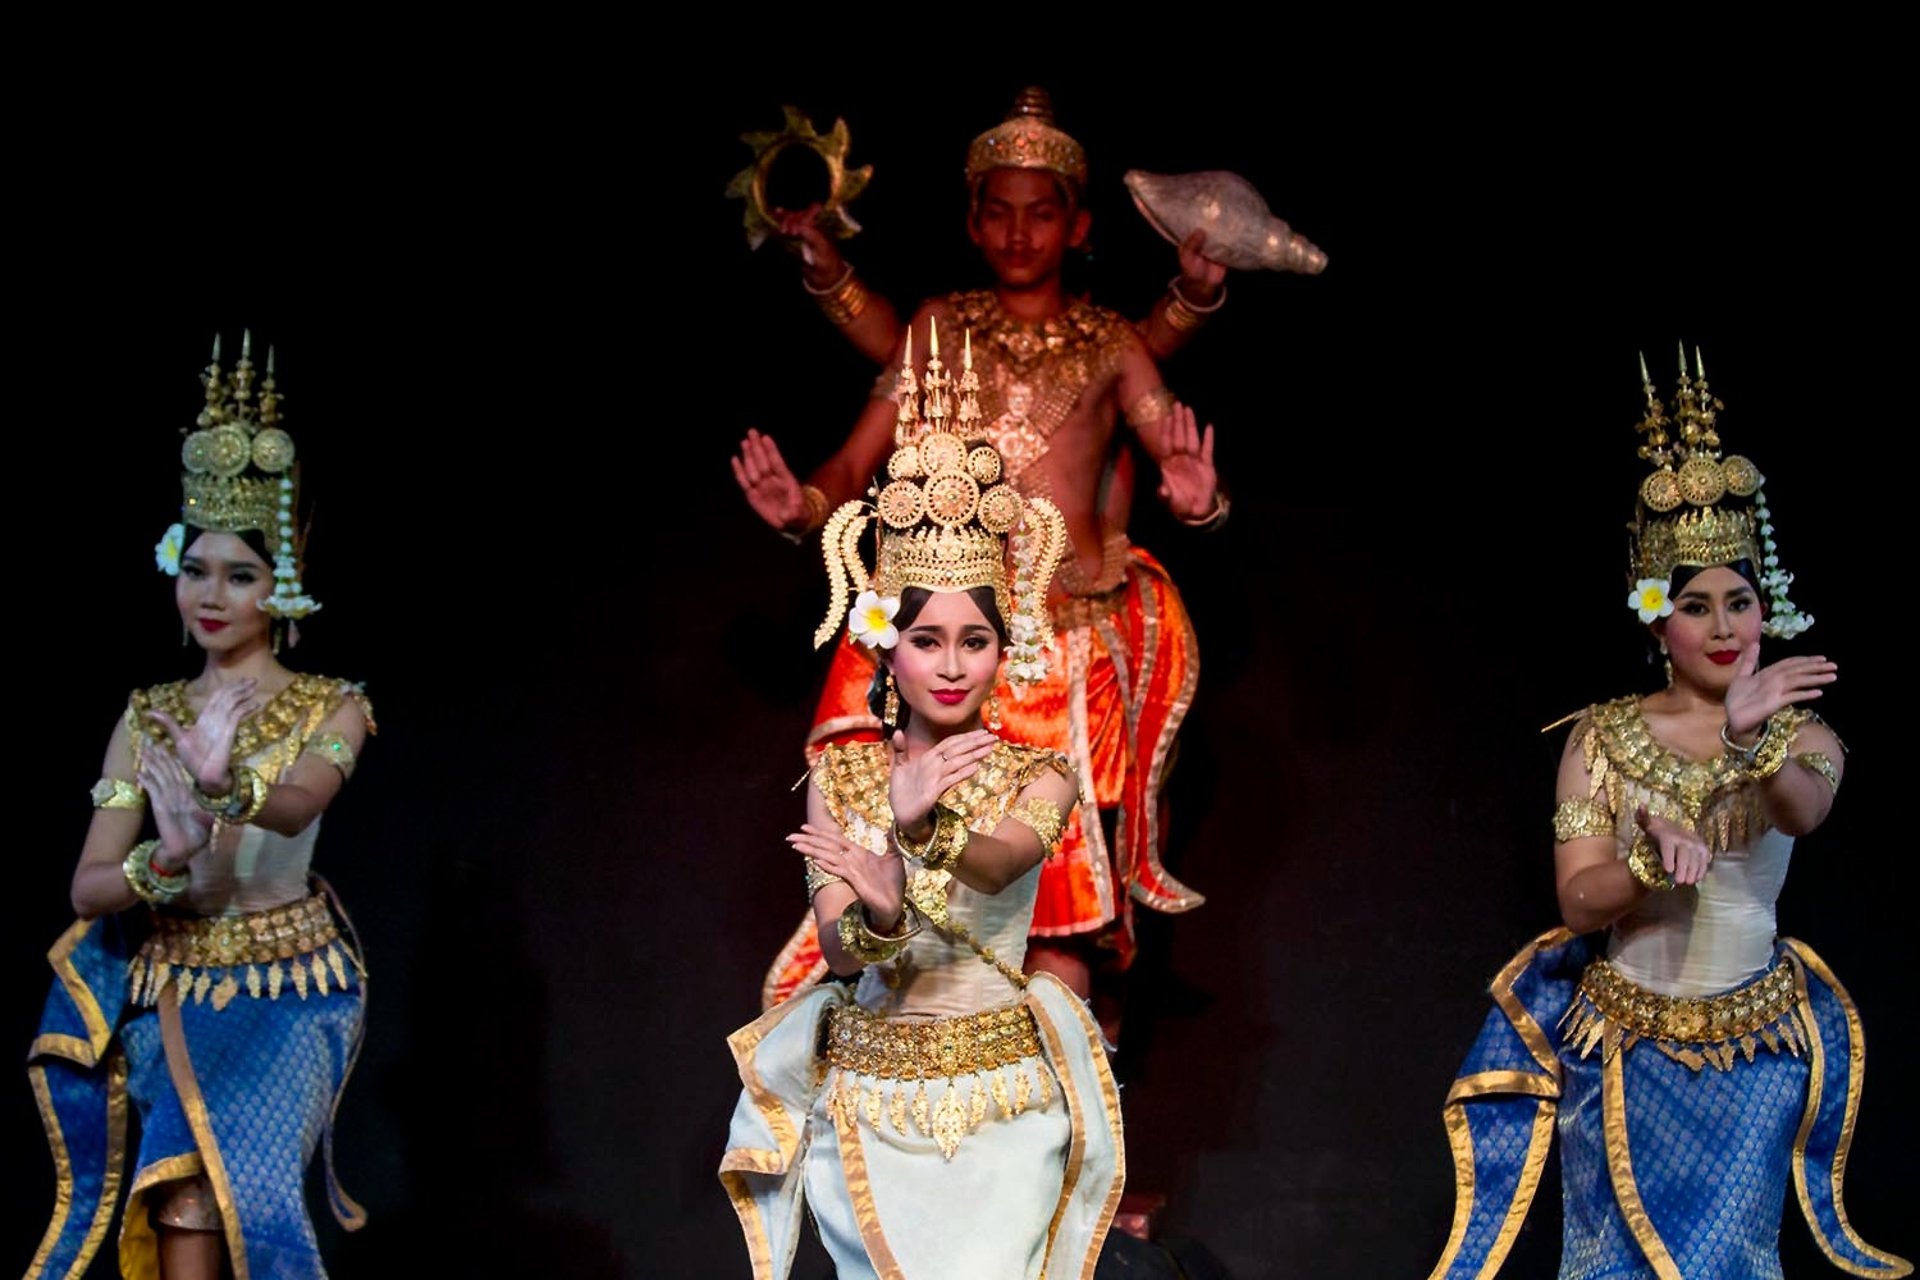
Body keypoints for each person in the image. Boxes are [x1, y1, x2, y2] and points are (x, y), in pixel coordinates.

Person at [736, 89, 1226, 1010]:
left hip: (1063, 647)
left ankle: (1074, 1123)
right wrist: (801, 508)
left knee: (1063, 906)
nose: (1018, 232)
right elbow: (849, 463)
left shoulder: (1110, 342)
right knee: (910, 885)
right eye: (998, 211)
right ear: (972, 219)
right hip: (942, 633)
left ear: (1076, 224)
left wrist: (1199, 501)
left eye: (1040, 213)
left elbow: (1171, 448)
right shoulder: (937, 328)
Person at [1424, 353, 1910, 1279]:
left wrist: (1749, 740)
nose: (1724, 627)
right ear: (1657, 624)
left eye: (1740, 602)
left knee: (1731, 1261)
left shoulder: (1806, 736)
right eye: (1696, 605)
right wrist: (1648, 864)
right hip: (1621, 1054)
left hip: (1757, 1055)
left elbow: (1800, 815)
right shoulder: (1599, 738)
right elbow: (1579, 901)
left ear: (1770, 613)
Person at [721, 333, 1123, 1279]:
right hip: (876, 1102)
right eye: (928, 638)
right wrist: (884, 912)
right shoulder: (841, 776)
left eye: (974, 639)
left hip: (1004, 1106)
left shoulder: (1043, 773)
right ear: (884, 646)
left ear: (1001, 647)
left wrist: (920, 829)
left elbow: (997, 863)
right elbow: (841, 944)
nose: (951, 664)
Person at [25, 336, 374, 1280]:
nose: (211, 595)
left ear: (282, 588)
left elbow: (299, 807)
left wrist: (226, 791)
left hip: (293, 997)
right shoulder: (148, 715)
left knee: (252, 1207)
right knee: (182, 1198)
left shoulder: (332, 702)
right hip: (177, 987)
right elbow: (91, 885)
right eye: (198, 570)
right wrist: (163, 861)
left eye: (241, 575)